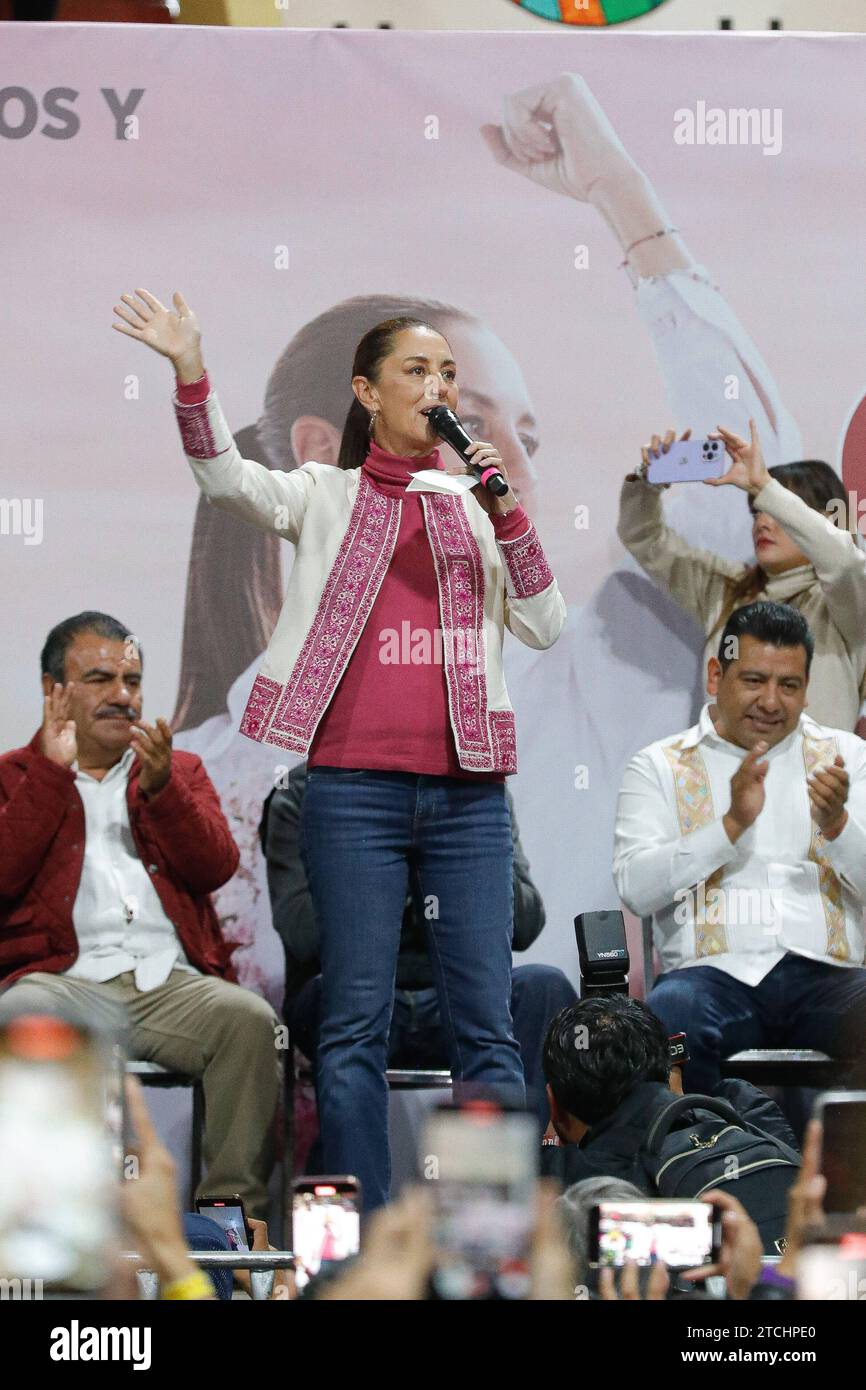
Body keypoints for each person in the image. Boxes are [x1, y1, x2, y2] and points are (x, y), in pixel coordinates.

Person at [111, 288, 567, 1210]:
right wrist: (190, 370)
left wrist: (509, 514)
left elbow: (547, 623)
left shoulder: (475, 506)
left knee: (486, 1025)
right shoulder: (326, 495)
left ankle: (482, 1240)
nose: (438, 387)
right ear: (366, 391)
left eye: (447, 373)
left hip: (469, 794)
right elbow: (222, 477)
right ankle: (374, 1239)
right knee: (353, 1023)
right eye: (417, 371)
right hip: (351, 790)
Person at [0, 612, 281, 1217]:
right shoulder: (12, 776)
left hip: (165, 985)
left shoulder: (178, 772)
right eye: (100, 679)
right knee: (19, 1014)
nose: (122, 696)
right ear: (55, 691)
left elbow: (216, 867)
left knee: (248, 1022)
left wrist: (164, 793)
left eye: (132, 680)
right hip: (61, 984)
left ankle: (231, 1221)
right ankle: (47, 1224)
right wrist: (51, 775)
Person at [613, 601, 866, 1093]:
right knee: (671, 1013)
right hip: (710, 980)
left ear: (807, 690)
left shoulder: (846, 759)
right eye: (753, 680)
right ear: (715, 675)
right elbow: (636, 889)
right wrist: (728, 827)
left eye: (788, 685)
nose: (771, 702)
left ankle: (847, 1164)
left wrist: (837, 825)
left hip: (829, 980)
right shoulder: (659, 766)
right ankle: (710, 1162)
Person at [260, 761, 578, 1133]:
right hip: (349, 991)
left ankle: (522, 1175)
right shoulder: (302, 791)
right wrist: (393, 874)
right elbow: (303, 933)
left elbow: (525, 924)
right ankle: (353, 1179)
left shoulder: (474, 791)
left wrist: (466, 869)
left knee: (544, 986)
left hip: (459, 998)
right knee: (339, 999)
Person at [619, 422, 866, 729]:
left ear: (826, 520)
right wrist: (646, 482)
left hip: (816, 777)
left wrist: (764, 487)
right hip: (723, 776)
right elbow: (643, 537)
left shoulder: (846, 603)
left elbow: (844, 563)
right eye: (756, 511)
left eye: (777, 511)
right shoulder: (726, 589)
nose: (762, 522)